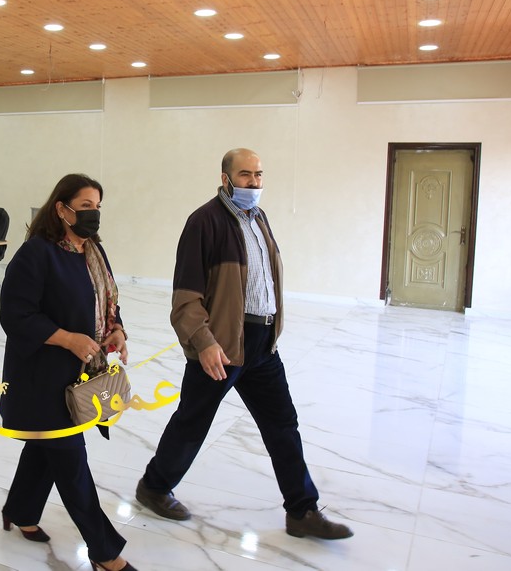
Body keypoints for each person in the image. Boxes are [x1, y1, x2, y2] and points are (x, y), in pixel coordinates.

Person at [135, 148, 353, 540]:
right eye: (245, 175)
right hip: (222, 344)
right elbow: (185, 296)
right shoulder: (204, 222)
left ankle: (302, 510)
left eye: (259, 174)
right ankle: (154, 486)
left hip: (262, 346)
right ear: (225, 179)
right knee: (193, 422)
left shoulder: (259, 219)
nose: (254, 182)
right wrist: (204, 342)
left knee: (282, 424)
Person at [0, 173, 137, 571]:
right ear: (62, 209)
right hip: (42, 379)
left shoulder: (92, 250)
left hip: (78, 374)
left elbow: (106, 300)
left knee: (46, 449)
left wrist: (117, 329)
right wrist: (68, 339)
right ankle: (105, 552)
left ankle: (21, 510)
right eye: (85, 206)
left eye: (97, 207)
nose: (94, 214)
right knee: (71, 464)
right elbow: (16, 315)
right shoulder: (37, 253)